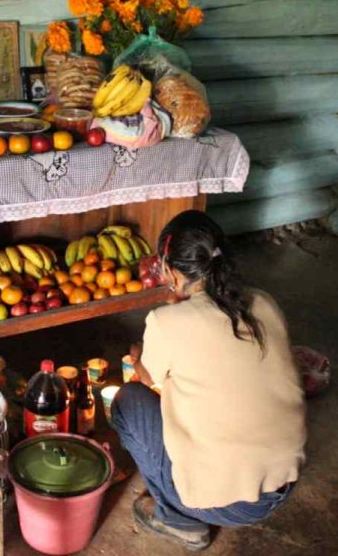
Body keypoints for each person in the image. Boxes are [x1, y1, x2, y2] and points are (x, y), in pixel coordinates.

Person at [111, 210, 307, 551]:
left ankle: (180, 520)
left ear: (170, 270)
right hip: (282, 482)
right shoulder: (263, 301)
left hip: (228, 504)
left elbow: (145, 378)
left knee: (128, 402)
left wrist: (138, 352)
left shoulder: (165, 321)